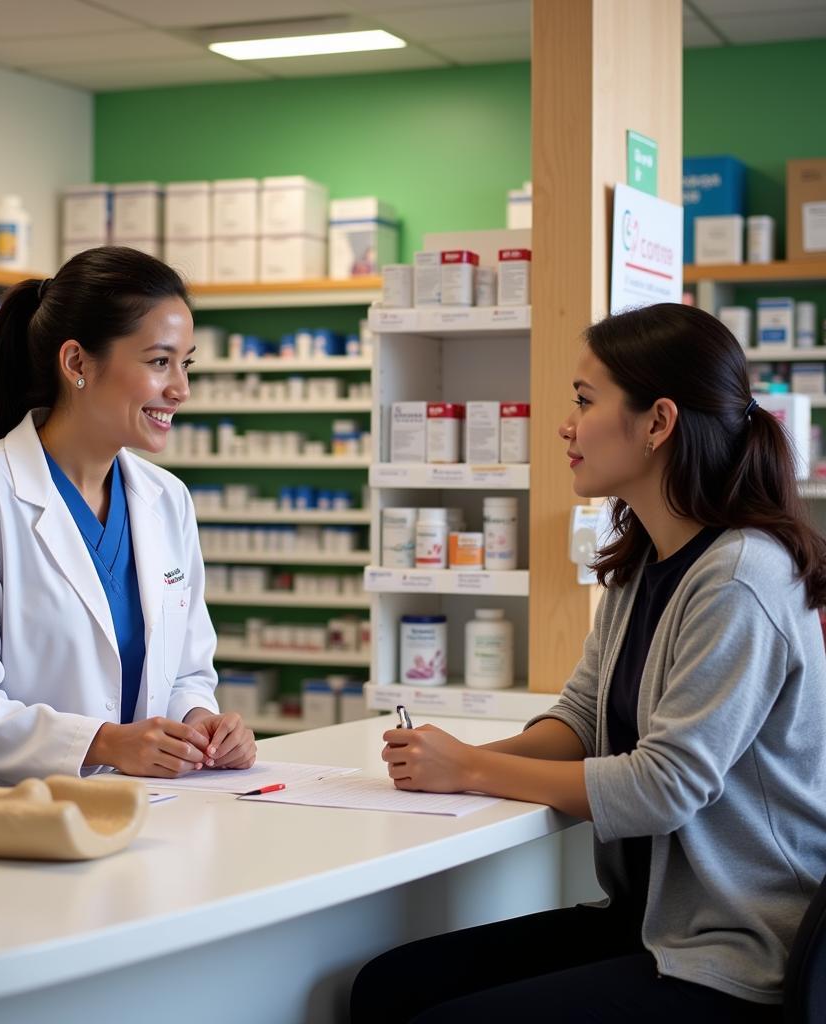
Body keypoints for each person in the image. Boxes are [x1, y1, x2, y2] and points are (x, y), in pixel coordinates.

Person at [351, 303, 826, 1022]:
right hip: (646, 922)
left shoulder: (739, 579)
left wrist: (472, 770)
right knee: (389, 987)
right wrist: (452, 760)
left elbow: (665, 786)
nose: (566, 425)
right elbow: (581, 719)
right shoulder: (643, 565)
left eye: (583, 400)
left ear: (658, 422)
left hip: (741, 951)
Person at [0, 246, 256, 785]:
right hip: (0, 825)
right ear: (76, 363)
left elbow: (188, 669)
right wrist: (106, 742)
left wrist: (201, 722)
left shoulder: (167, 499)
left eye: (185, 363)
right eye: (159, 362)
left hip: (141, 812)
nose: (181, 389)